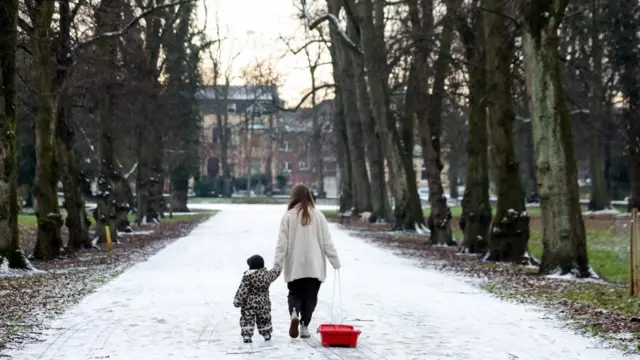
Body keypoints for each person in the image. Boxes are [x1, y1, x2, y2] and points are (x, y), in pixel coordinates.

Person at [274, 184, 341, 339]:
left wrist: (277, 265)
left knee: (294, 293)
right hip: (314, 266)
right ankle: (304, 326)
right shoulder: (318, 216)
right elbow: (327, 242)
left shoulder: (288, 216)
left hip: (295, 265)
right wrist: (335, 261)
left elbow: (281, 244)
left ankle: (294, 313)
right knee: (310, 297)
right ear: (310, 196)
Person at [233, 254, 281, 343]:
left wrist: (237, 301)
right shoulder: (267, 276)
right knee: (264, 319)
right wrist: (278, 266)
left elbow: (242, 290)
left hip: (249, 305)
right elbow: (275, 272)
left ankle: (247, 336)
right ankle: (266, 333)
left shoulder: (248, 277)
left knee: (247, 319)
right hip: (264, 304)